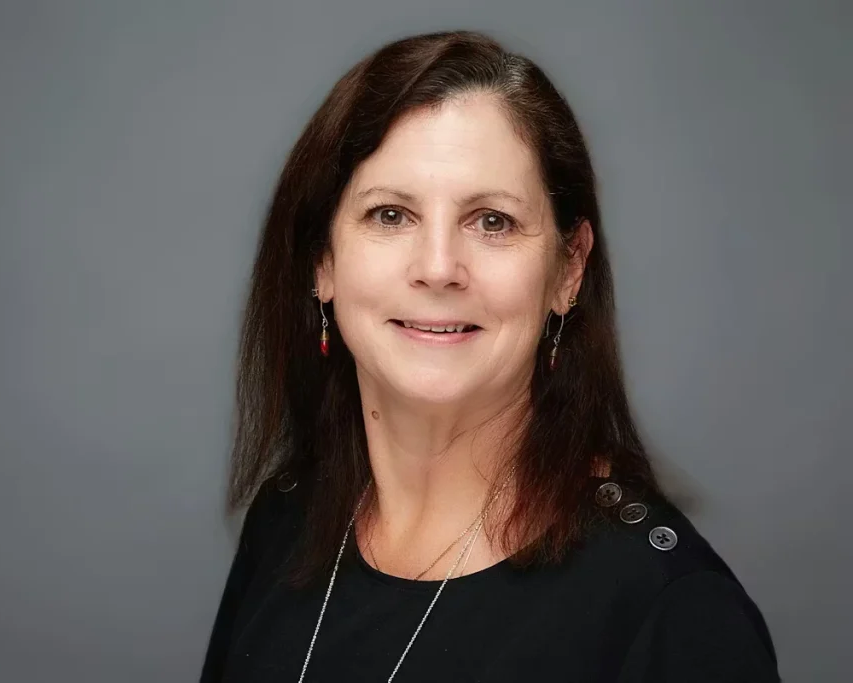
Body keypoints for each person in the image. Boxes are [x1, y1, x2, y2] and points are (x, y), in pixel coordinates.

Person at [199, 29, 779, 682]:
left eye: (492, 221)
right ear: (322, 261)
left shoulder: (670, 608)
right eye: (390, 214)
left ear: (568, 268)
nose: (439, 267)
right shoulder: (286, 520)